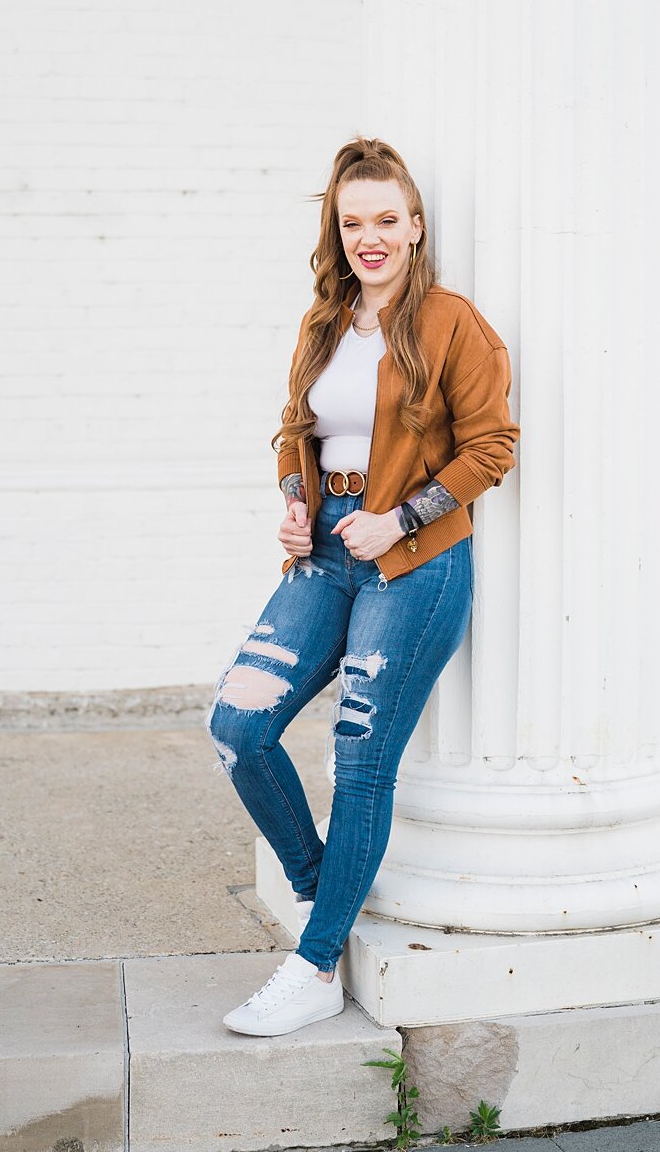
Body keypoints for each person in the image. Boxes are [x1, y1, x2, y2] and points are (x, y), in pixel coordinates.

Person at [207, 135, 520, 1035]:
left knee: (360, 759)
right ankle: (324, 900)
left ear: (416, 227)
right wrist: (294, 498)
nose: (370, 238)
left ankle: (314, 969)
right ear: (337, 232)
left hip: (412, 565)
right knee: (238, 725)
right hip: (326, 554)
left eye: (387, 220)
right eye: (354, 223)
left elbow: (492, 445)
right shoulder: (322, 323)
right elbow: (291, 431)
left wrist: (404, 517)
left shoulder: (453, 323)